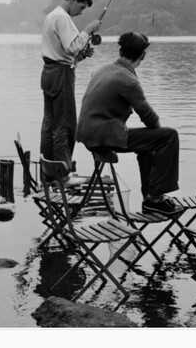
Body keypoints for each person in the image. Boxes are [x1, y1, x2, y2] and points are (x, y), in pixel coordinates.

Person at [76, 31, 183, 216]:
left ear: (120, 51)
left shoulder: (103, 69)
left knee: (148, 145)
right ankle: (155, 197)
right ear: (143, 55)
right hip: (103, 135)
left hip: (88, 132)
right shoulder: (128, 80)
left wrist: (152, 140)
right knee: (169, 136)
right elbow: (150, 119)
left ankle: (150, 198)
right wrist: (158, 136)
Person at [39, 0, 102, 181]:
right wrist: (88, 30)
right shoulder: (62, 18)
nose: (81, 12)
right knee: (65, 124)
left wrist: (80, 56)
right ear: (73, 0)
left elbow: (63, 52)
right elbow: (73, 45)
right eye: (81, 7)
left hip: (49, 72)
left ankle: (48, 172)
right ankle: (63, 174)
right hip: (61, 74)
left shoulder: (52, 16)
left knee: (50, 123)